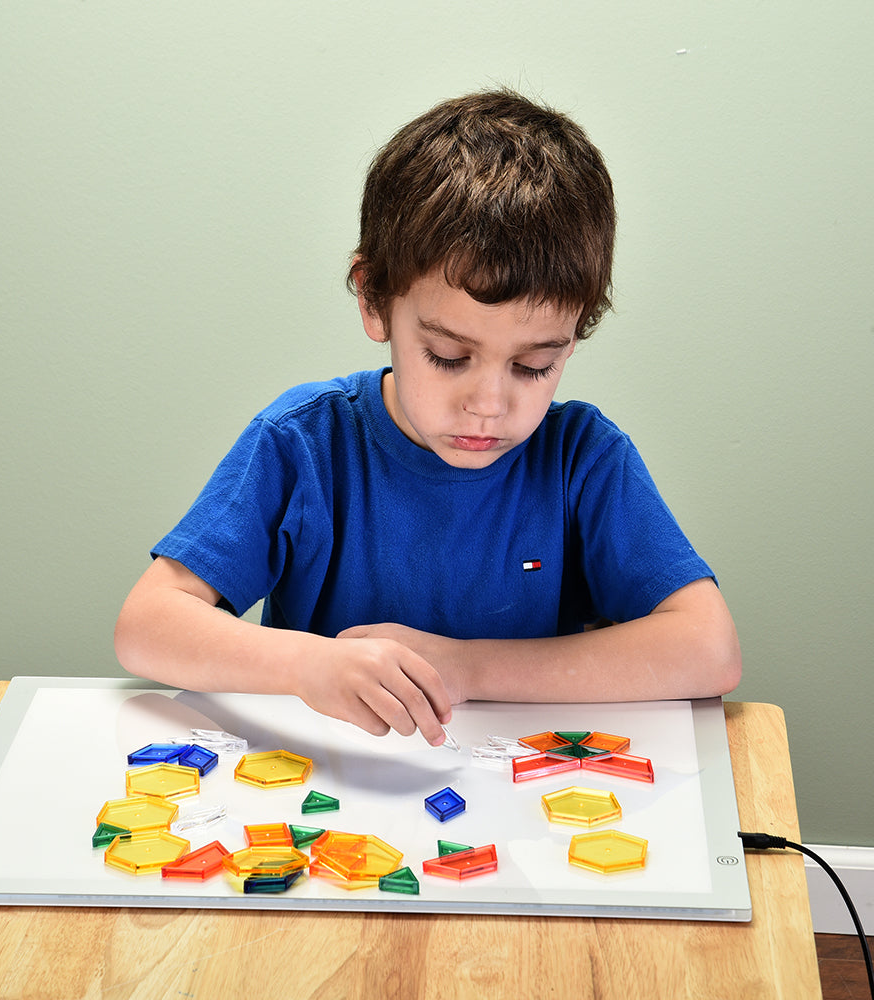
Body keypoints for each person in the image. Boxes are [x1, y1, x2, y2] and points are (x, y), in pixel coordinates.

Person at [114, 89, 741, 747]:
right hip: (333, 796)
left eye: (534, 366)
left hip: (523, 807)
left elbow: (709, 648)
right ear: (375, 299)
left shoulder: (582, 459)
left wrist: (464, 666)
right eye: (448, 356)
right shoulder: (304, 442)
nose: (490, 403)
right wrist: (309, 664)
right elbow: (146, 625)